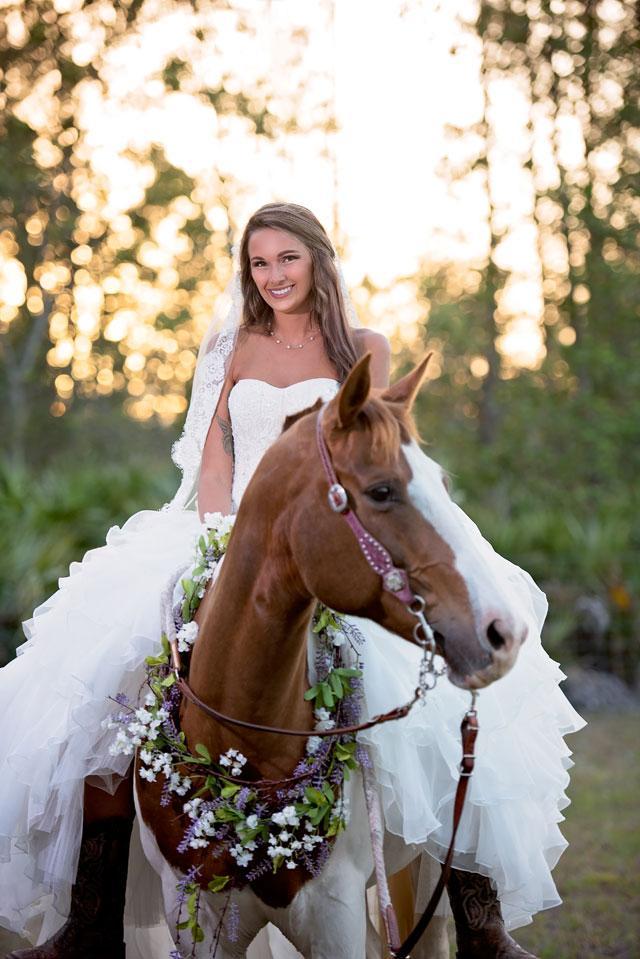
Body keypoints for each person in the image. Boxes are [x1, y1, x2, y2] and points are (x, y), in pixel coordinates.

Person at [0, 202, 584, 959]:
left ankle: (480, 922)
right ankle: (88, 920)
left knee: (437, 710)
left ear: (318, 261)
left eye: (287, 259)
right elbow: (213, 456)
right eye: (258, 262)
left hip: (336, 545)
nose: (272, 276)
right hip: (230, 541)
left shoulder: (362, 346)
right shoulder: (228, 345)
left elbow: (381, 455)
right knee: (104, 698)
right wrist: (220, 544)